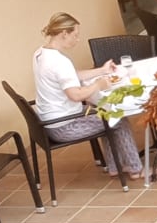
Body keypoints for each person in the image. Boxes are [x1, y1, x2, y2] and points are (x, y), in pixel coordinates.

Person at [32, 13, 148, 183]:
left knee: (104, 112)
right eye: (75, 35)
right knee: (117, 118)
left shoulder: (41, 53)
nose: (77, 39)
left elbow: (71, 76)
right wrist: (99, 85)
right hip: (64, 126)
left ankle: (115, 167)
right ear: (64, 33)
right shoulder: (59, 62)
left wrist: (102, 70)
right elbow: (75, 95)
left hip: (49, 120)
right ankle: (136, 169)